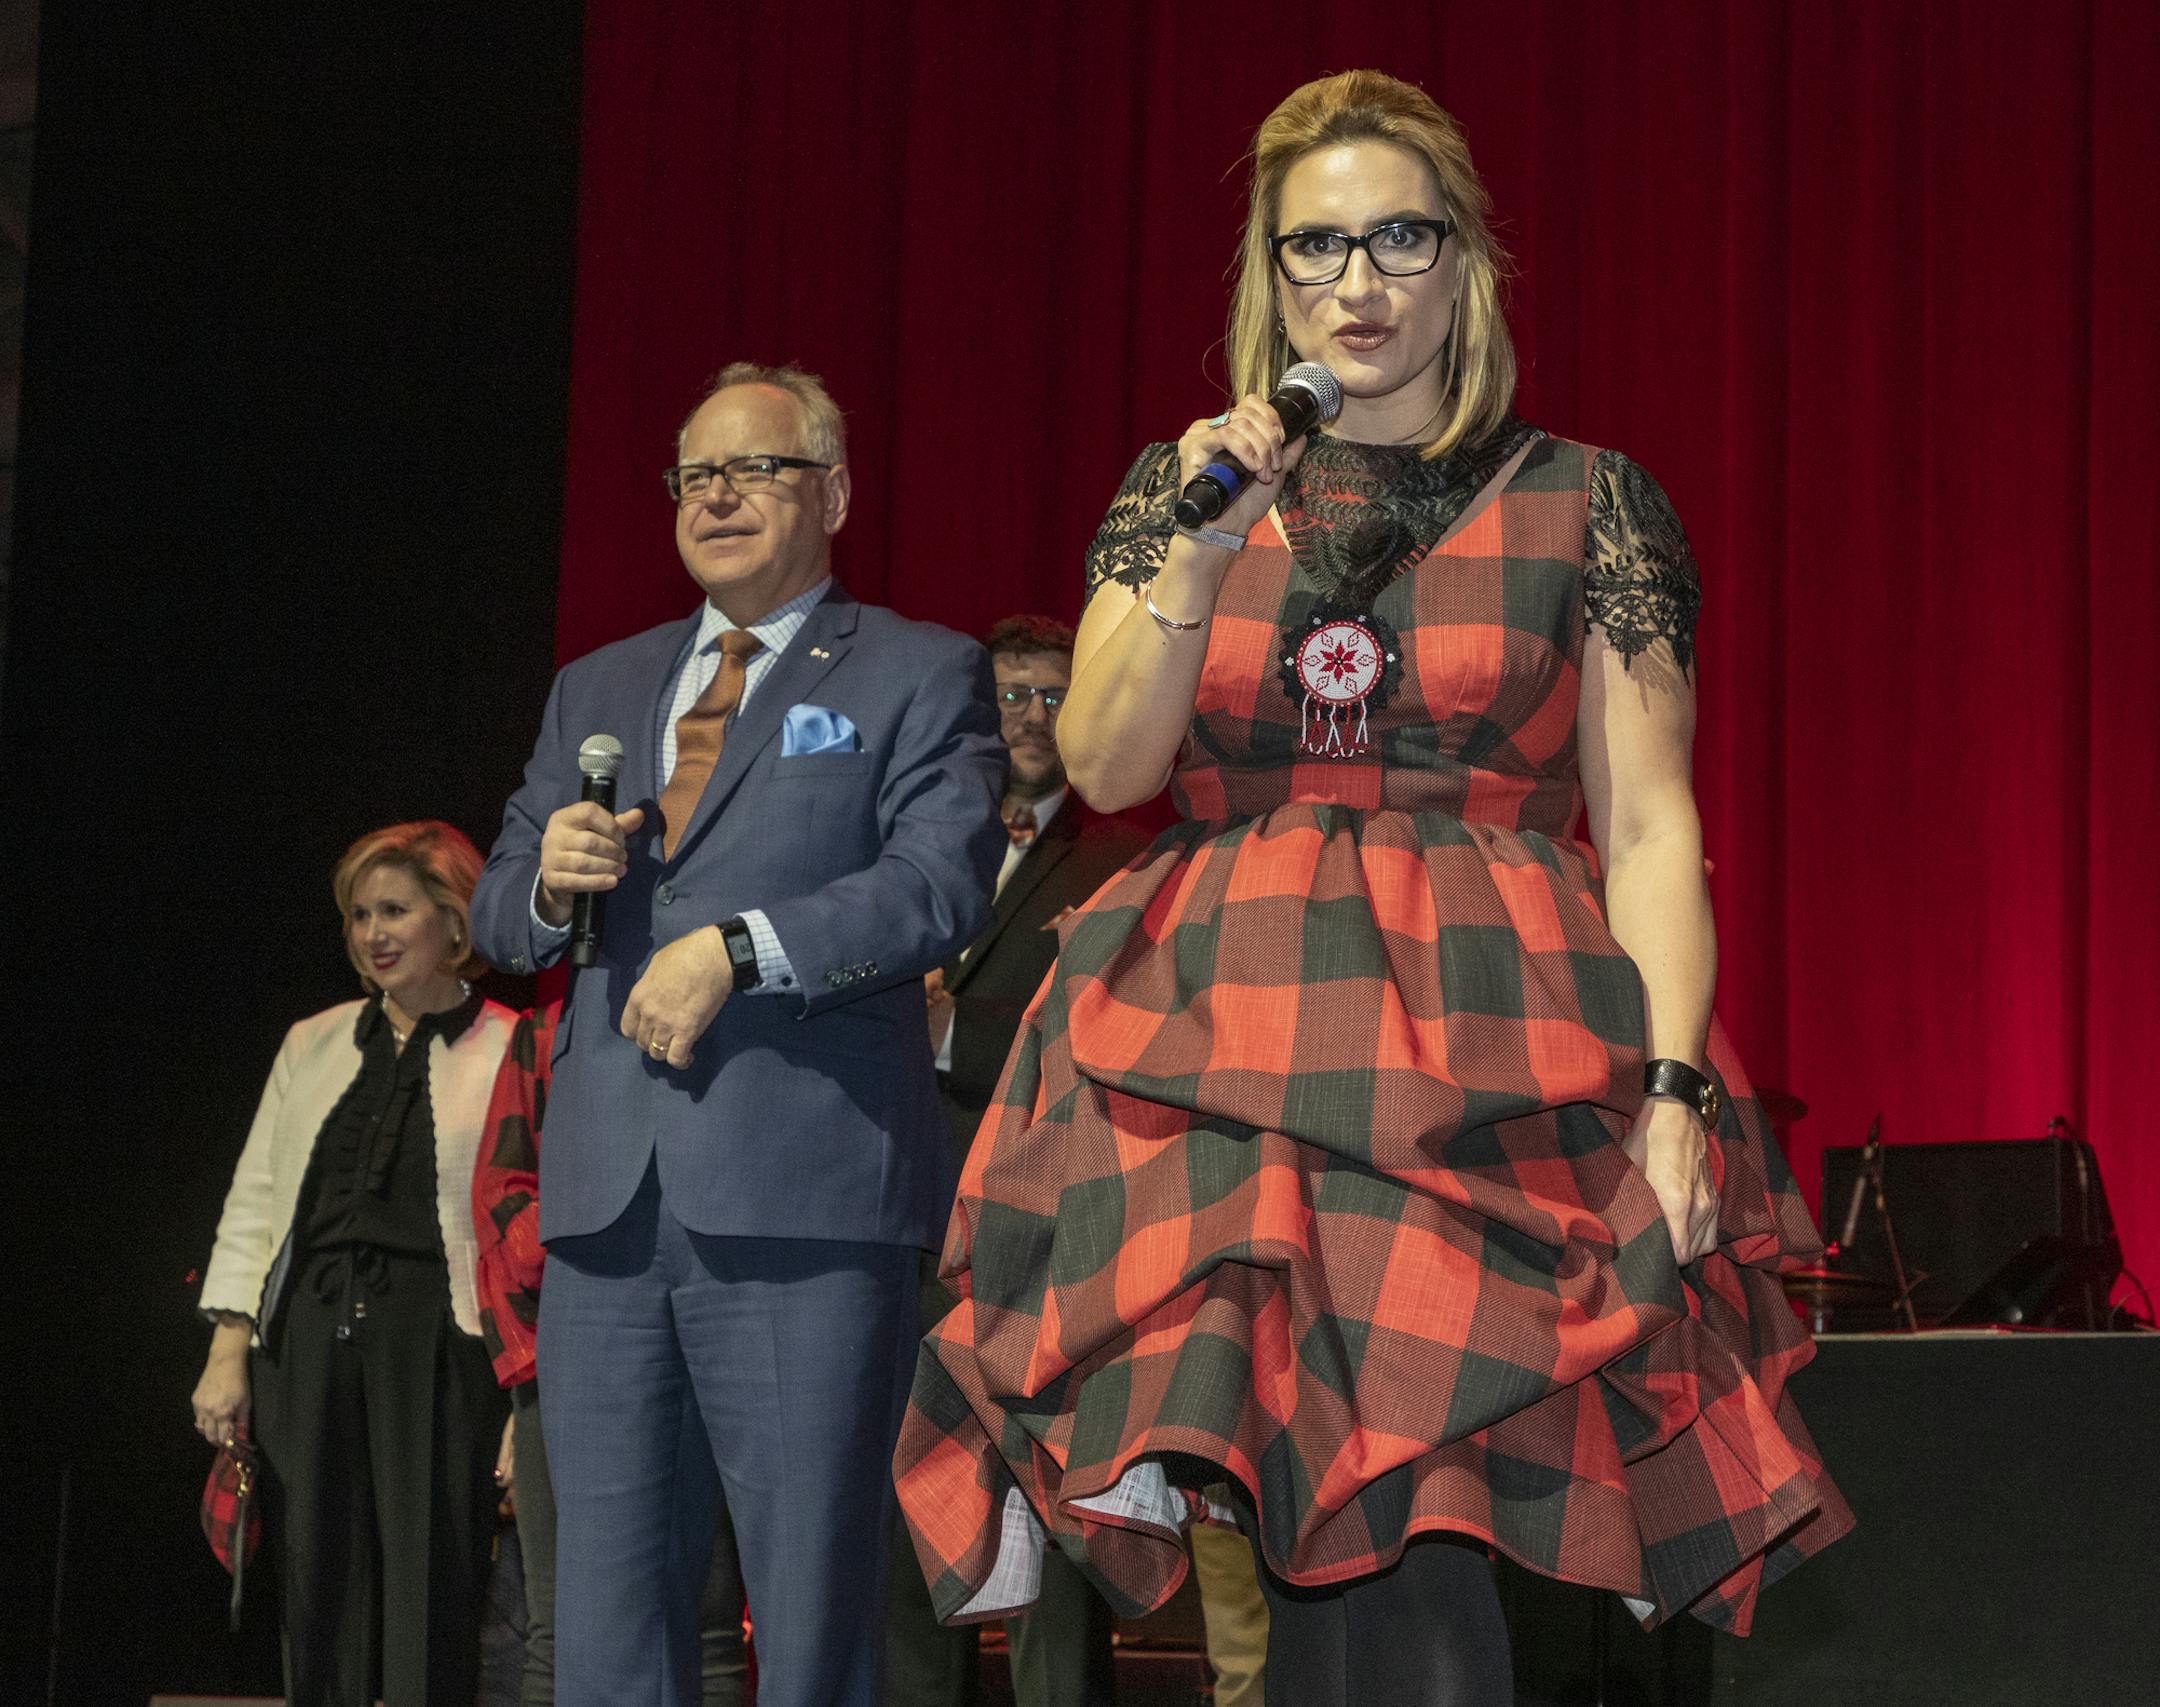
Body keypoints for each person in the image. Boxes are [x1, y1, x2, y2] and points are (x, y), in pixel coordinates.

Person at [895, 70, 1851, 1707]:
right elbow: (1116, 765)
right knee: (1317, 1534)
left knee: (1424, 1527)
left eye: (1398, 238)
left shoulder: (1589, 497)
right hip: (1236, 1043)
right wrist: (1198, 547)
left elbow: (1649, 833)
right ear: (1266, 276)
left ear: (1465, 258)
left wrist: (1678, 1094)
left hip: (1492, 1051)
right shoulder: (1176, 488)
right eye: (1313, 246)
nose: (1357, 281)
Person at [469, 361, 1006, 1707]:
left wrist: (742, 948)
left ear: (828, 491)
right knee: (599, 1607)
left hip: (806, 1205)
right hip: (605, 1213)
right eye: (691, 474)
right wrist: (551, 877)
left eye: (749, 468)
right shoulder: (599, 683)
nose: (713, 494)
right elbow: (496, 912)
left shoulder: (917, 668)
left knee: (813, 1603)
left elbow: (940, 881)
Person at [886, 615, 1150, 1706]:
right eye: (1011, 695)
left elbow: (1114, 1032)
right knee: (906, 1503)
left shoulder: (1126, 857)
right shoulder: (895, 840)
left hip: (1044, 1231)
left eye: (1054, 695)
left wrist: (945, 1030)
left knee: (1053, 1521)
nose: (1032, 717)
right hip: (897, 1215)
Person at [193, 820, 517, 1707]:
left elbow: (530, 1230)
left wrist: (529, 1394)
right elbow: (255, 1196)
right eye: (359, 914)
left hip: (439, 1338)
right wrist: (230, 1352)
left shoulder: (511, 1045)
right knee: (314, 1578)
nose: (372, 931)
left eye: (395, 910)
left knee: (433, 1578)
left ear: (454, 921)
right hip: (308, 1333)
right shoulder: (314, 1039)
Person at [472, 1001, 753, 1707]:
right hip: (560, 1348)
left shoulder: (727, 1000)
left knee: (710, 1623)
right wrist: (601, 1228)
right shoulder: (547, 1027)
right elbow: (500, 1196)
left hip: (719, 1331)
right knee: (565, 1628)